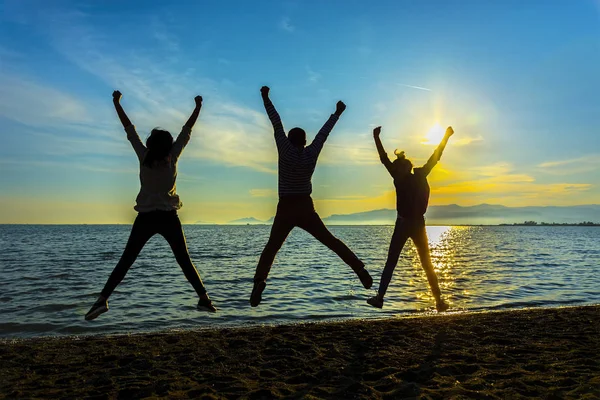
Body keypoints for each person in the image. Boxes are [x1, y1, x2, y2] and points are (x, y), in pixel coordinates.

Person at [85, 91, 216, 321]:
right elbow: (187, 130)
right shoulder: (172, 157)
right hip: (168, 217)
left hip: (146, 218)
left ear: (151, 144)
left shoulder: (143, 155)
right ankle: (204, 298)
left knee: (126, 260)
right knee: (183, 259)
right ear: (168, 144)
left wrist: (116, 103)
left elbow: (129, 130)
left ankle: (102, 300)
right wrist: (197, 106)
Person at [250, 86, 373, 307]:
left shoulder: (284, 150)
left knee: (271, 248)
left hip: (286, 206)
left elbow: (276, 122)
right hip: (306, 207)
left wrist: (265, 97)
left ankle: (259, 281)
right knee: (330, 241)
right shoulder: (311, 152)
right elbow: (324, 134)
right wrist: (337, 113)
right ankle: (359, 269)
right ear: (305, 141)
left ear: (288, 139)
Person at [367, 125, 454, 312]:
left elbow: (436, 155)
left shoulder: (420, 173)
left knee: (426, 262)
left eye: (401, 167)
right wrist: (376, 138)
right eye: (397, 168)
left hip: (415, 224)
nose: (398, 170)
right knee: (392, 260)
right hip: (404, 222)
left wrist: (446, 137)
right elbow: (384, 159)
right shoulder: (399, 177)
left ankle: (439, 301)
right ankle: (380, 297)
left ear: (408, 166)